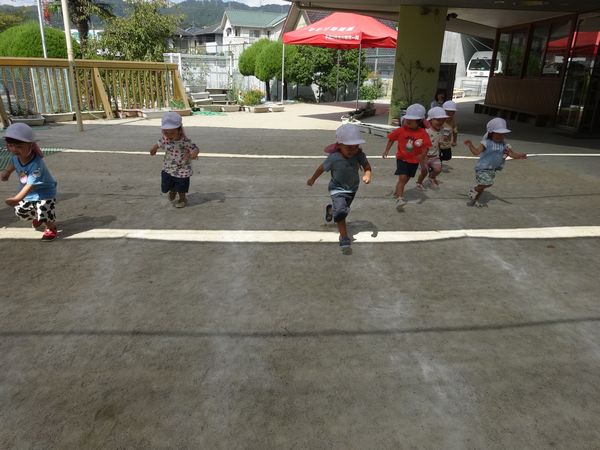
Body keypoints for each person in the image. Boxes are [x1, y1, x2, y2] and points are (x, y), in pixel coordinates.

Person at [307, 123, 372, 252]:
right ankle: (344, 237)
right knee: (341, 213)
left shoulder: (359, 155)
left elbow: (367, 166)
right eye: (349, 147)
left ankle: (331, 209)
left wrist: (367, 174)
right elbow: (321, 168)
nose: (353, 150)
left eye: (356, 147)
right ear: (339, 145)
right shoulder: (334, 158)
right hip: (337, 189)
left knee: (340, 210)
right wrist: (313, 178)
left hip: (352, 189)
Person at [1, 123, 58, 241]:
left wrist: (17, 198)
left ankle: (50, 227)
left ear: (31, 146)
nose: (14, 149)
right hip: (28, 193)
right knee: (21, 211)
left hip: (44, 193)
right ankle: (37, 217)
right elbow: (13, 163)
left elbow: (30, 185)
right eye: (11, 145)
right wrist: (7, 172)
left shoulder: (36, 165)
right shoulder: (16, 157)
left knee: (44, 211)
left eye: (19, 146)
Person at [464, 117, 527, 207]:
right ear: (491, 133)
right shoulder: (486, 143)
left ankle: (473, 201)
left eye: (502, 134)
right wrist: (470, 145)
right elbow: (476, 152)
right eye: (497, 134)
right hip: (482, 168)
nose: (500, 136)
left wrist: (520, 156)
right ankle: (474, 189)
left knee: (482, 187)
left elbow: (512, 154)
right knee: (487, 183)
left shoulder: (505, 145)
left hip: (492, 170)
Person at [382, 103, 432, 210]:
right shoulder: (401, 130)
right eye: (407, 119)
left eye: (411, 120)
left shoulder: (423, 133)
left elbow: (426, 146)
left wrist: (423, 156)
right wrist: (386, 150)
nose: (408, 121)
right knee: (403, 177)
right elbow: (391, 138)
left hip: (414, 161)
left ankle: (397, 190)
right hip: (402, 158)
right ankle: (400, 198)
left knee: (406, 179)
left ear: (419, 121)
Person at [149, 112, 199, 208]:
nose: (169, 135)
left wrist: (194, 153)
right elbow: (159, 143)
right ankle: (173, 190)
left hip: (182, 169)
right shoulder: (166, 138)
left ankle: (183, 199)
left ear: (180, 130)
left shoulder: (184, 141)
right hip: (168, 167)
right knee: (167, 183)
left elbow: (195, 148)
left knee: (181, 186)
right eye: (166, 132)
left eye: (172, 133)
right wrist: (154, 149)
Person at [416, 106, 448, 190]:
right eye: (438, 120)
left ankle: (431, 177)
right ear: (430, 120)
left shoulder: (442, 130)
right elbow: (419, 143)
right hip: (425, 156)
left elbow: (440, 140)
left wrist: (442, 142)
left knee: (438, 169)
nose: (441, 122)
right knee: (424, 172)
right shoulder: (426, 131)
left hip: (435, 156)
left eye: (443, 120)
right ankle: (419, 182)